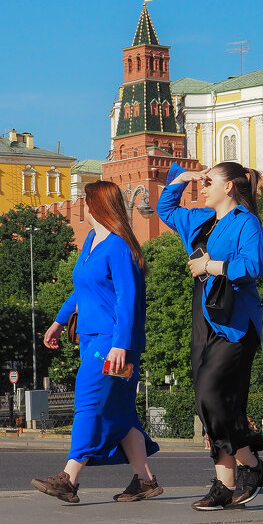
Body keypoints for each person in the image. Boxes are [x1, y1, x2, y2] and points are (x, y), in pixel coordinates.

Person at [32, 180, 160, 504]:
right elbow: (82, 288)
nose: (82, 206)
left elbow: (127, 298)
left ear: (96, 206)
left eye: (85, 201)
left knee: (87, 403)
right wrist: (59, 321)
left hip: (113, 343)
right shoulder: (92, 240)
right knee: (122, 412)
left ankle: (69, 477)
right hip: (92, 339)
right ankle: (145, 481)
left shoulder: (118, 246)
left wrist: (121, 343)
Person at [158, 161, 263, 510]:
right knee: (213, 403)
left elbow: (256, 264)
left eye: (209, 182)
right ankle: (225, 484)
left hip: (236, 322)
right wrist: (180, 179)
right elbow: (165, 209)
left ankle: (251, 463)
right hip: (204, 317)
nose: (202, 188)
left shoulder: (245, 222)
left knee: (212, 394)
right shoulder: (200, 220)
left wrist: (212, 266)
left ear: (230, 188)